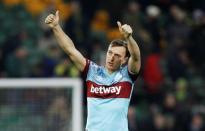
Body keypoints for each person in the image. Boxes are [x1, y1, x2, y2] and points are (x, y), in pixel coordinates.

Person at [45, 10, 141, 131]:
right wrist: (56, 27)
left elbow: (136, 57)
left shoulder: (127, 75)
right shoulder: (92, 71)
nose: (111, 58)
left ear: (124, 60)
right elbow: (71, 50)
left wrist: (129, 38)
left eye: (117, 55)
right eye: (110, 53)